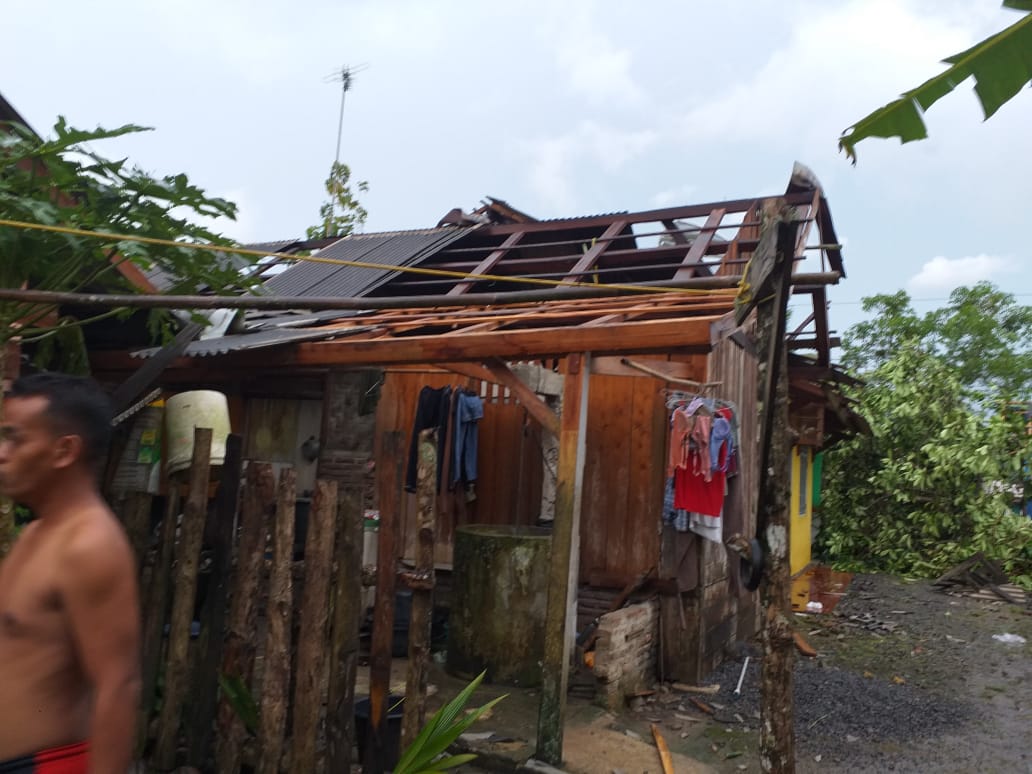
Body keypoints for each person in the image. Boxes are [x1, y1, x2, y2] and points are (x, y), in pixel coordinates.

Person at [0, 373, 140, 774]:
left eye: (16, 439)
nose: (2, 453)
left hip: (46, 765)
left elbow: (117, 685)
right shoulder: (34, 535)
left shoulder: (90, 545)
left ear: (64, 451)